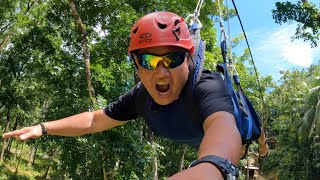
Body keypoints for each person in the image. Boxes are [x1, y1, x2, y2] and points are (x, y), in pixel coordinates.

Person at [2, 11, 245, 179]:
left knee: (252, 139)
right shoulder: (142, 97)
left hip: (239, 140)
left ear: (189, 59)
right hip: (196, 140)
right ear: (136, 66)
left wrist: (214, 167)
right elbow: (94, 120)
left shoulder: (207, 86)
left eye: (172, 58)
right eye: (149, 60)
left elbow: (222, 126)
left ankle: (262, 144)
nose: (162, 72)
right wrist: (43, 128)